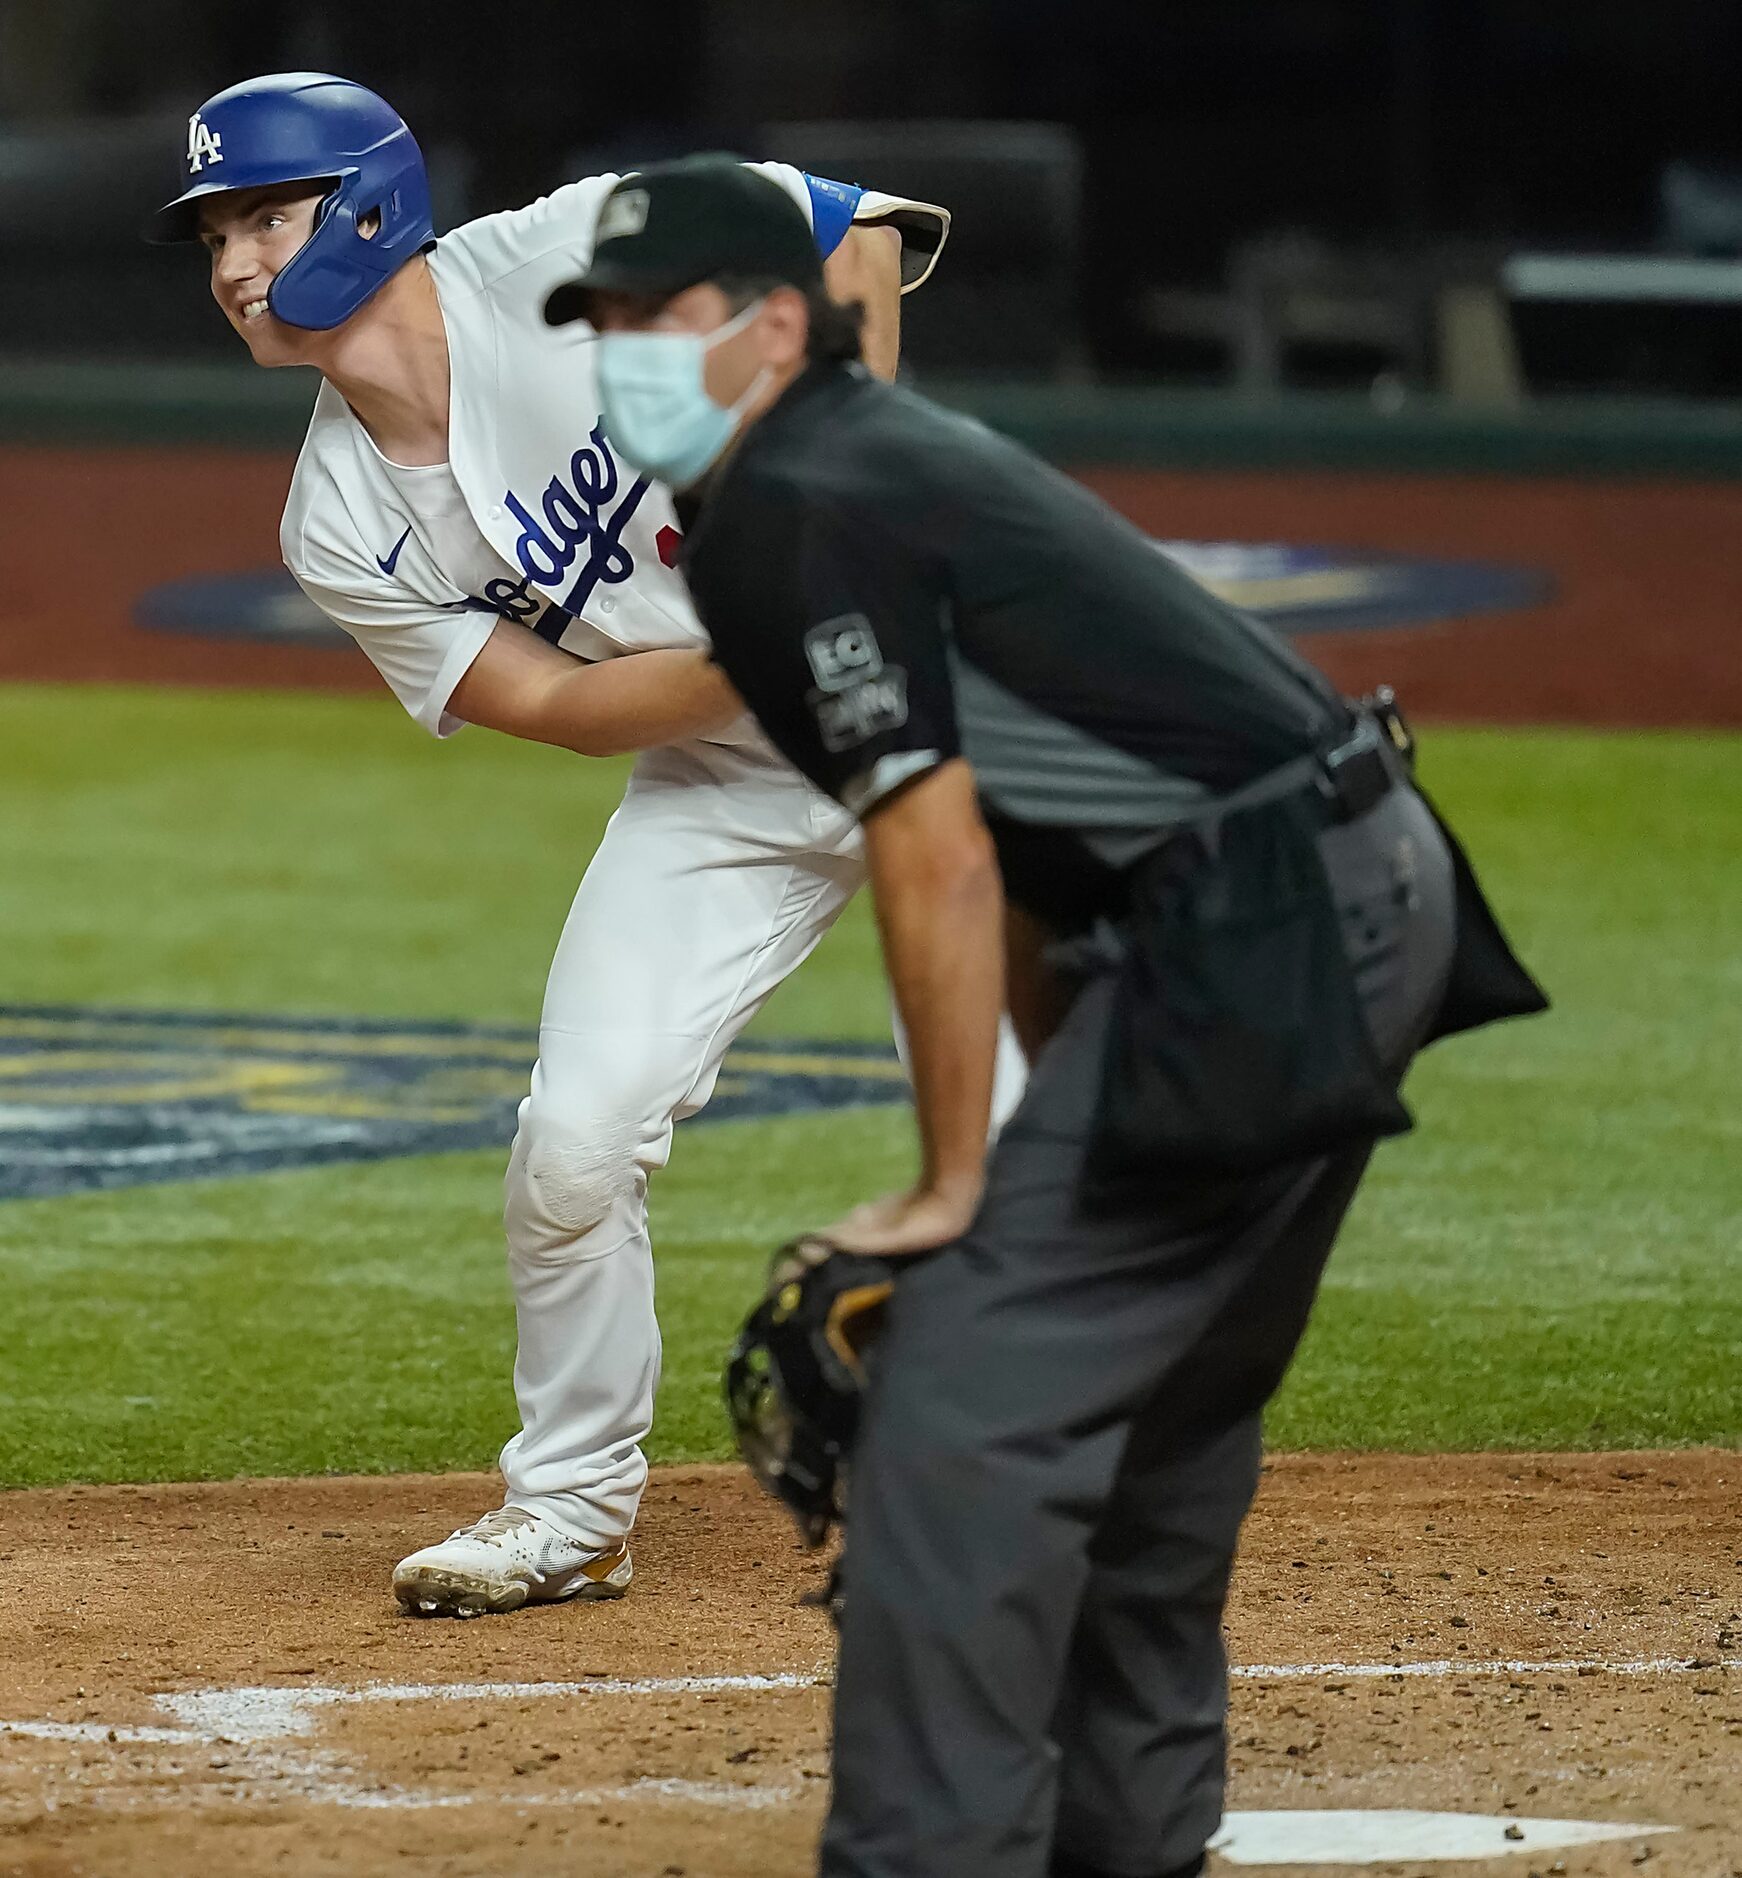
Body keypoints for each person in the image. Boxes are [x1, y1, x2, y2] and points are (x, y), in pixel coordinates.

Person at [553, 157, 1548, 1878]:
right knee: (1153, 1422)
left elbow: (929, 854)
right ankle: (1128, 1838)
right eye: (606, 323)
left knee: (954, 1413)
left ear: (776, 326)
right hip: (1330, 891)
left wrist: (956, 1192)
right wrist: (1017, 1156)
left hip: (1259, 926)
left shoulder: (805, 498)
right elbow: (1015, 837)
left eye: (662, 318)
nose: (623, 352)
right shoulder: (838, 473)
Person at [145, 72, 1024, 1619]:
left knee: (1017, 1135)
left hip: (953, 728)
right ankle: (568, 1510)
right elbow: (550, 696)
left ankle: (1058, 1488)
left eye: (264, 217)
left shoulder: (558, 261)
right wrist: (771, 649)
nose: (231, 265)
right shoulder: (337, 519)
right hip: (727, 779)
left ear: (363, 206)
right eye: (214, 232)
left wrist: (847, 493)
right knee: (571, 1144)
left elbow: (855, 237)